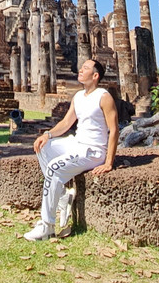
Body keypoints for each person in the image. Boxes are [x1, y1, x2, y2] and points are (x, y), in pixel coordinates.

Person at [24, 59, 119, 241]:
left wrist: (109, 162)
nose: (80, 70)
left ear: (95, 75)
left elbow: (114, 129)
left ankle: (47, 226)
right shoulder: (78, 96)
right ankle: (63, 197)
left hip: (92, 151)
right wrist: (48, 135)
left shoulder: (103, 96)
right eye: (81, 67)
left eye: (85, 68)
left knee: (53, 168)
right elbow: (67, 123)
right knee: (43, 148)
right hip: (76, 143)